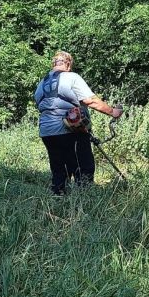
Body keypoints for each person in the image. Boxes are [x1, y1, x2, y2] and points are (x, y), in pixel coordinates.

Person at [34, 52, 122, 195]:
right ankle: (83, 200)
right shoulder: (72, 77)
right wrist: (113, 112)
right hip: (70, 130)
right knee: (83, 166)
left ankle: (58, 197)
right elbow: (90, 101)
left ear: (54, 64)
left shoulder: (42, 83)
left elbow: (39, 104)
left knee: (58, 168)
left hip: (47, 131)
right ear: (68, 64)